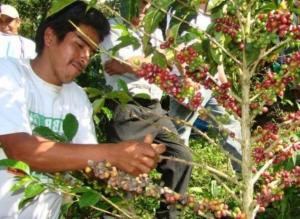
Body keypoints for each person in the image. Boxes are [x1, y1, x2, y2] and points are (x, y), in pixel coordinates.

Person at [0, 1, 165, 218]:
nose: (86, 57)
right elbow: (21, 150)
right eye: (79, 45)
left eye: (92, 51)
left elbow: (91, 164)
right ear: (50, 37)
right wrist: (114, 153)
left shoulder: (77, 97)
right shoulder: (8, 73)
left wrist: (130, 166)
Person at [101, 0, 193, 218]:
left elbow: (157, 67)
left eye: (148, 4)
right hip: (127, 106)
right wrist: (156, 62)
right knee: (124, 175)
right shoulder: (112, 27)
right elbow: (129, 64)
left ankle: (168, 215)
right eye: (139, 2)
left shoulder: (155, 34)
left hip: (155, 109)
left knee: (181, 156)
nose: (144, 8)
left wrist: (137, 65)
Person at [167, 1, 242, 171]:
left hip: (211, 83)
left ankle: (244, 176)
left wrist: (223, 83)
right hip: (188, 83)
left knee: (230, 125)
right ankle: (176, 181)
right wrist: (186, 79)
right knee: (180, 134)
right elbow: (175, 47)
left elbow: (216, 55)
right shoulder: (181, 12)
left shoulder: (213, 16)